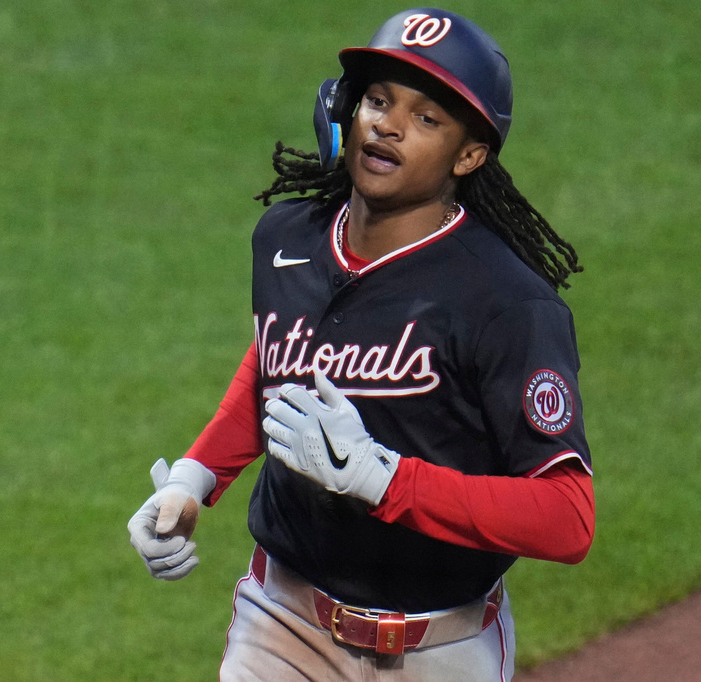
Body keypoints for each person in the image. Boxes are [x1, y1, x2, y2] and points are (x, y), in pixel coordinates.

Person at [128, 8, 595, 681]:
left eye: (427, 118)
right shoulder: (286, 239)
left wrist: (386, 482)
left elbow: (567, 518)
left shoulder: (505, 302)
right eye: (378, 100)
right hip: (283, 628)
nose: (389, 124)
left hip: (442, 648)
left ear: (470, 155)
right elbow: (277, 361)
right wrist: (193, 479)